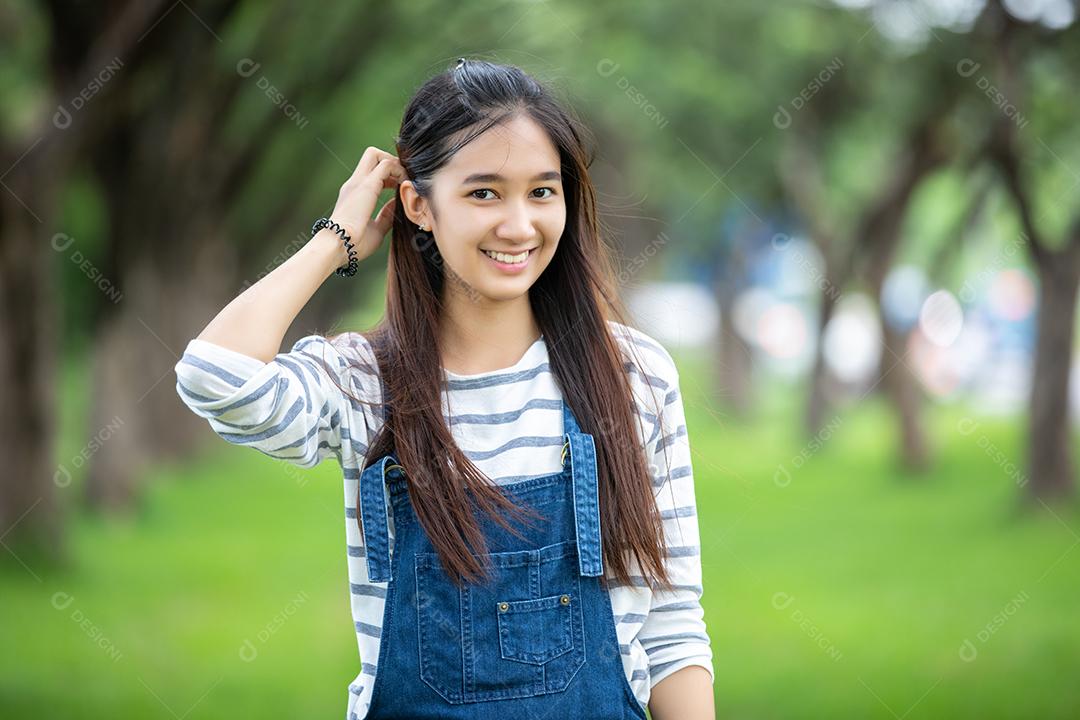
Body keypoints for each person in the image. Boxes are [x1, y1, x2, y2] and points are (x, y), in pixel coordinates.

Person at [173, 58, 714, 720]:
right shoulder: (365, 385)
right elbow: (214, 376)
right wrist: (336, 239)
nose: (519, 225)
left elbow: (671, 622)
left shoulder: (633, 375)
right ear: (417, 206)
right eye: (483, 193)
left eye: (542, 192)